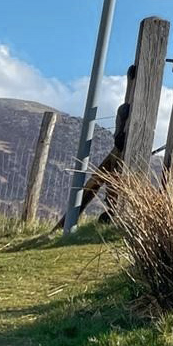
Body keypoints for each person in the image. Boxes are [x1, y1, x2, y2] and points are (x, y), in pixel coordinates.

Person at [56, 64, 135, 229]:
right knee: (114, 172)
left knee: (113, 172)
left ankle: (111, 211)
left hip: (124, 143)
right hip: (124, 143)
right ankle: (112, 211)